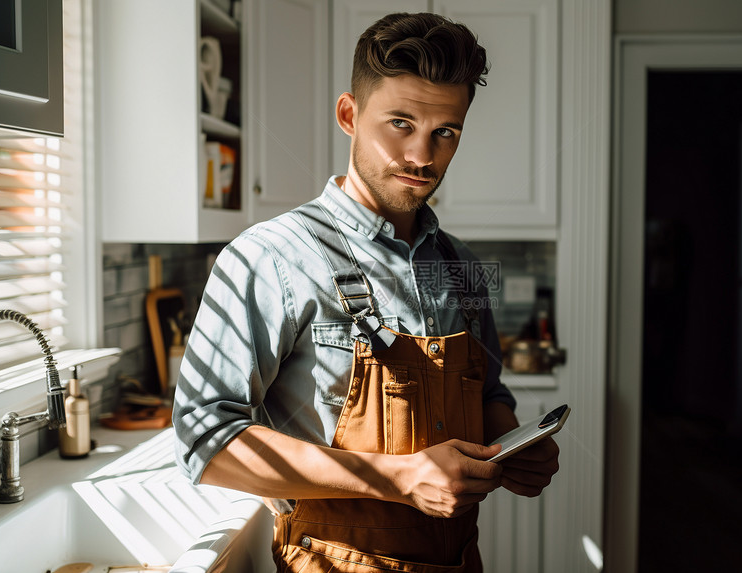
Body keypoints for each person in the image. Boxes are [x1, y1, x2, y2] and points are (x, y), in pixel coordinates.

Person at [173, 12, 559, 572]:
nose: (422, 156)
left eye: (444, 132)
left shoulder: (464, 267)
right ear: (349, 115)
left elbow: (489, 397)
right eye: (400, 123)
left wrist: (515, 449)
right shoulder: (270, 256)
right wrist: (400, 478)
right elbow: (204, 441)